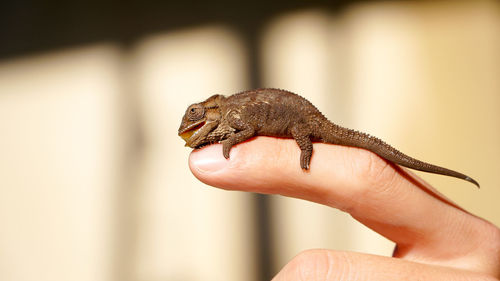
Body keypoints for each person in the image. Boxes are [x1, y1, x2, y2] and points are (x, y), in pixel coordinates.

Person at [188, 136, 500, 280]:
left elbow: (245, 129)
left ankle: (306, 145)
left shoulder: (233, 114)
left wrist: (305, 150)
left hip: (301, 121)